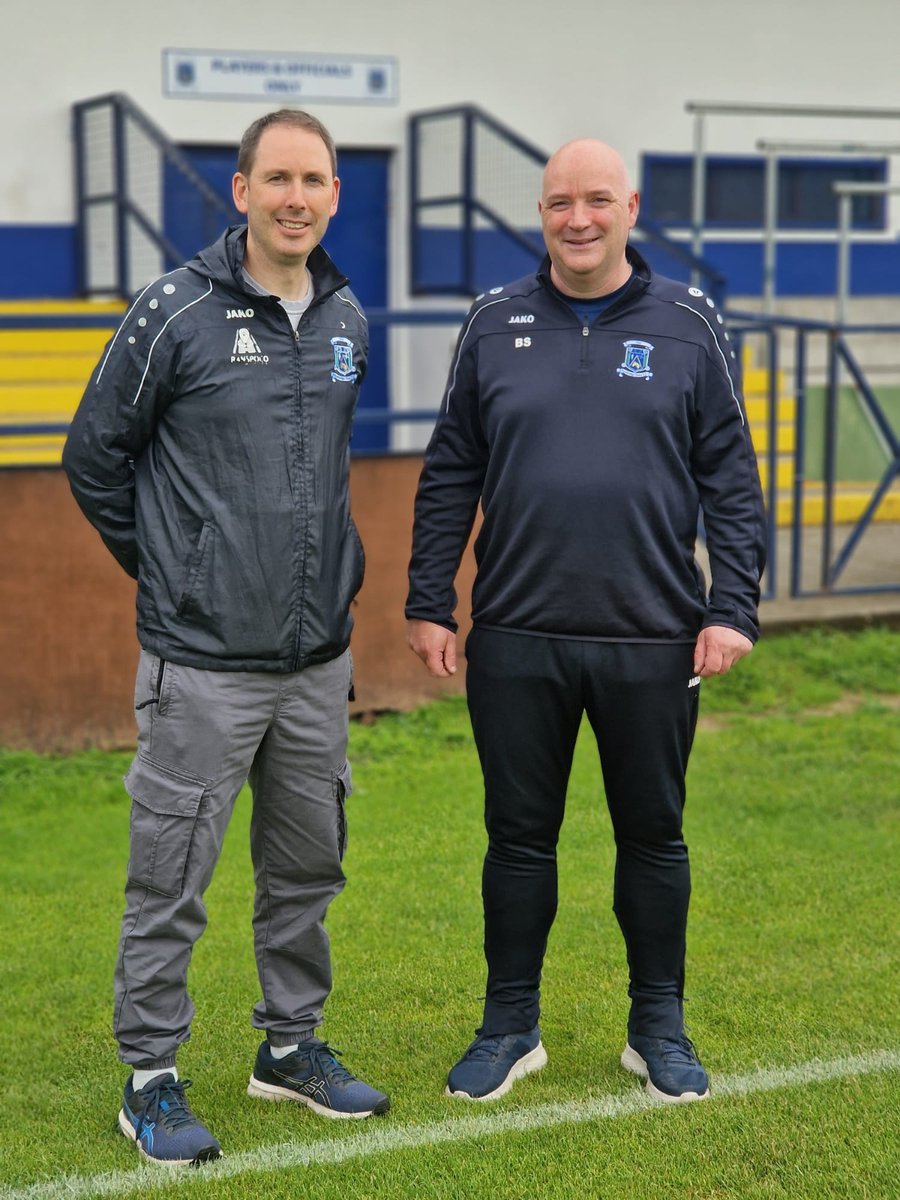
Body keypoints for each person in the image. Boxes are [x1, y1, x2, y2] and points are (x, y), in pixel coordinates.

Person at [406, 139, 766, 1105]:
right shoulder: (492, 321)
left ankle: (658, 1028)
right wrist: (428, 599)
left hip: (653, 635)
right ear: (542, 211)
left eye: (597, 200)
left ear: (632, 207)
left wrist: (732, 607)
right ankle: (508, 1027)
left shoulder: (691, 324)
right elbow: (451, 471)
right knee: (518, 838)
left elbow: (731, 478)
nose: (578, 219)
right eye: (561, 201)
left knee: (655, 836)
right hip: (518, 635)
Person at [63, 109, 389, 1167]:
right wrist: (174, 570)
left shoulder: (346, 319)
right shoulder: (176, 310)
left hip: (313, 664)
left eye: (315, 179)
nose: (296, 196)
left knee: (307, 870)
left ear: (335, 195)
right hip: (200, 666)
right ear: (241, 189)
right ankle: (150, 1078)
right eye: (276, 177)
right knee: (172, 877)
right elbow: (94, 456)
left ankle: (288, 1049)